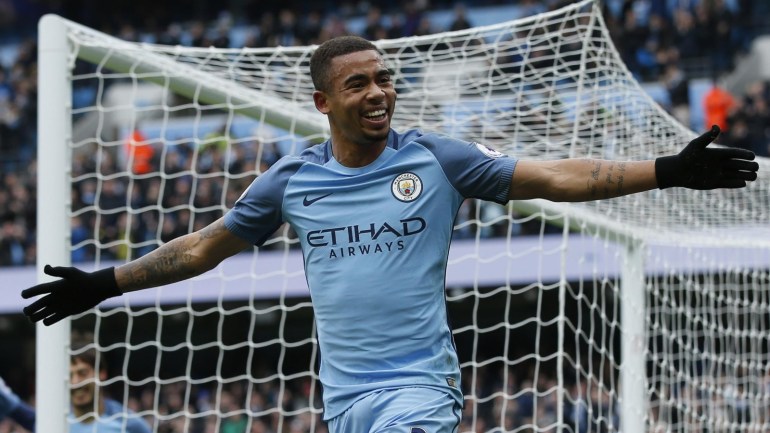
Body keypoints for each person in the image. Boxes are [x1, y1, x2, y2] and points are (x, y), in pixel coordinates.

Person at [21, 36, 759, 432]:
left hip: (420, 385)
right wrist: (103, 282)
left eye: (384, 77)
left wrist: (665, 170)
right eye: (359, 84)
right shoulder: (290, 181)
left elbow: (555, 177)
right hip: (344, 399)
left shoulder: (436, 158)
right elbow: (203, 248)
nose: (379, 92)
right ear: (322, 102)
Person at [0, 343, 151, 433]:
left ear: (101, 373)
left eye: (82, 373)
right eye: (69, 375)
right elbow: (12, 405)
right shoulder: (53, 422)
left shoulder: (130, 425)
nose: (75, 382)